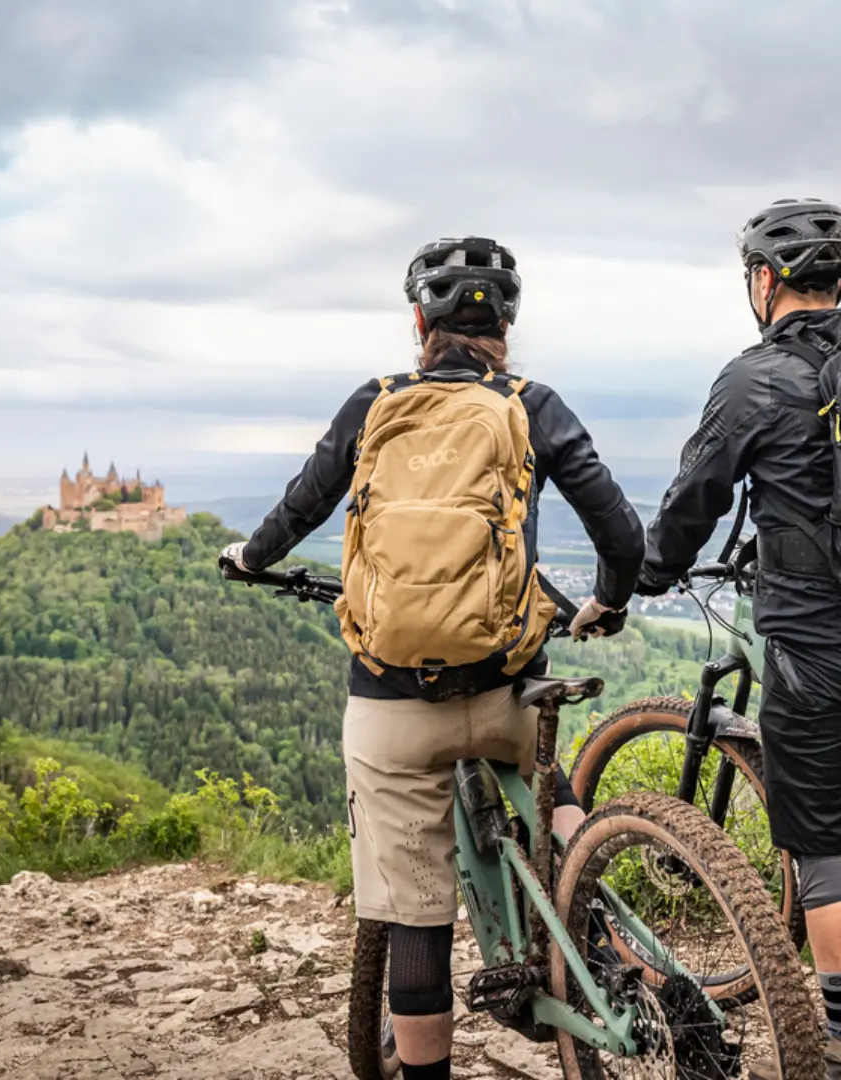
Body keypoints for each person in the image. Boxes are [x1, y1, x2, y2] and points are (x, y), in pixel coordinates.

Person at [222, 236, 644, 1080]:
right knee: (555, 791)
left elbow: (298, 508)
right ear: (508, 325)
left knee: (414, 915)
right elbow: (622, 535)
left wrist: (250, 559)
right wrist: (607, 602)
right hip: (506, 689)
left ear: (419, 321)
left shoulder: (374, 403)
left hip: (391, 706)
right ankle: (607, 934)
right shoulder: (532, 402)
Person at [636, 200, 841, 1080]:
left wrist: (644, 578)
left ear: (765, 282)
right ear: (840, 281)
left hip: (822, 643)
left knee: (822, 848)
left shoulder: (753, 379)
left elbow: (695, 500)